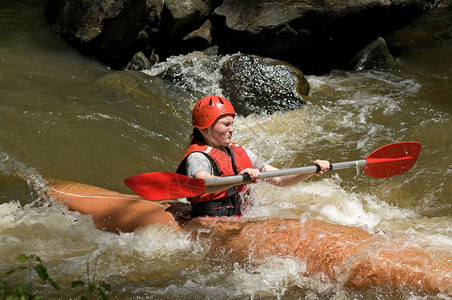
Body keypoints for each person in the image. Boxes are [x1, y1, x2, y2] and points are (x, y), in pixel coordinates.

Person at [176, 95, 330, 218]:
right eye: (226, 124)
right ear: (204, 129)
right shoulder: (197, 157)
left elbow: (280, 179)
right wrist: (239, 178)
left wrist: (311, 170)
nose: (232, 130)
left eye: (232, 124)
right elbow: (205, 183)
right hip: (211, 222)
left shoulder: (239, 150)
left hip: (242, 217)